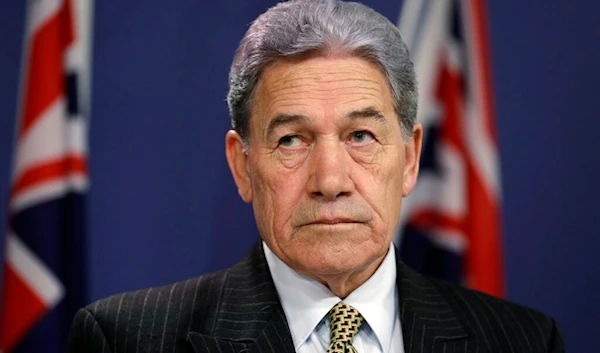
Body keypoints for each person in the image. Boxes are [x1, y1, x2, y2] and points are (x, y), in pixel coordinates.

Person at [66, 1, 564, 352]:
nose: (330, 180)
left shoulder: (522, 340)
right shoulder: (126, 339)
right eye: (291, 140)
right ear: (243, 165)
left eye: (361, 136)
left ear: (410, 159)